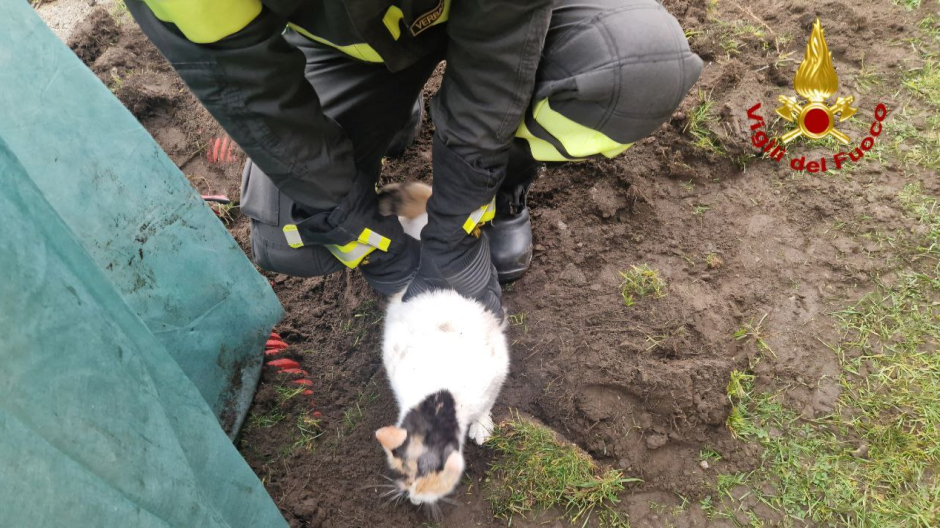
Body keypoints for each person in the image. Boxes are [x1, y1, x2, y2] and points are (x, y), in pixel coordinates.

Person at [125, 0, 702, 316]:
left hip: (516, 18)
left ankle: (509, 185)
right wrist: (368, 235)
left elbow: (498, 56)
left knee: (634, 67)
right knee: (290, 230)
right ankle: (392, 111)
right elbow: (251, 94)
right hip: (346, 48)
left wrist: (456, 223)